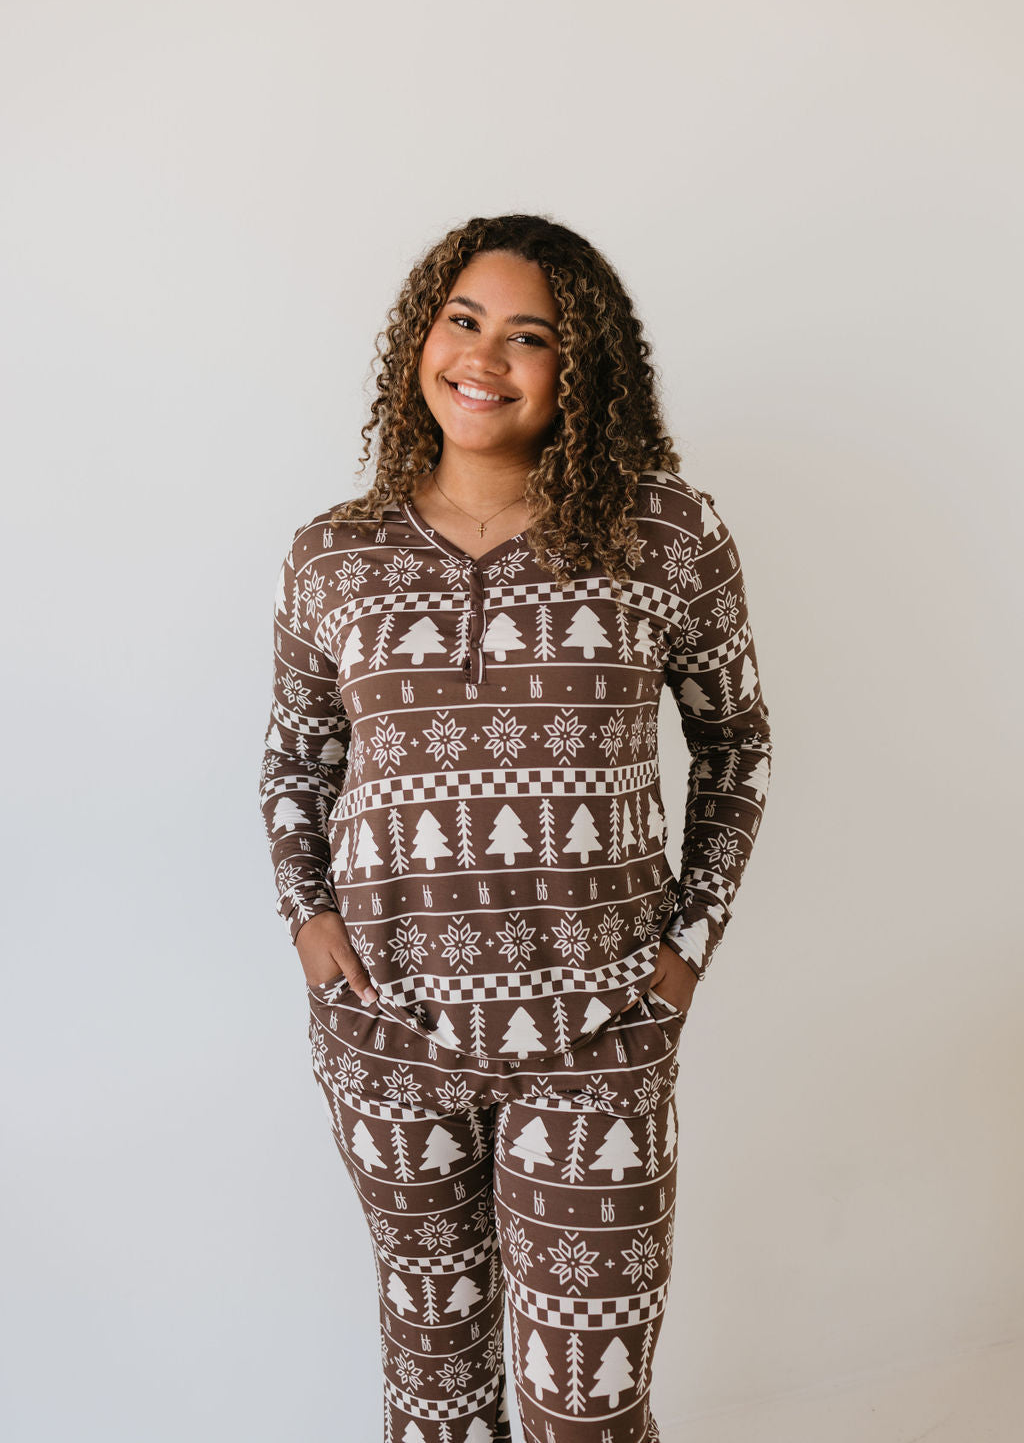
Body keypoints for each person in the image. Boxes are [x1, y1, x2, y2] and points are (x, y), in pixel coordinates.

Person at [257, 212, 773, 1443]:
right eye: (463, 319)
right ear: (421, 341)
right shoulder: (333, 554)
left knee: (582, 1411)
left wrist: (680, 954)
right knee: (435, 1396)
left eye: (529, 335)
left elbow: (737, 746)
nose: (484, 356)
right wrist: (310, 924)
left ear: (578, 368)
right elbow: (294, 755)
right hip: (388, 1034)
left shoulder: (664, 534)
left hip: (597, 1031)